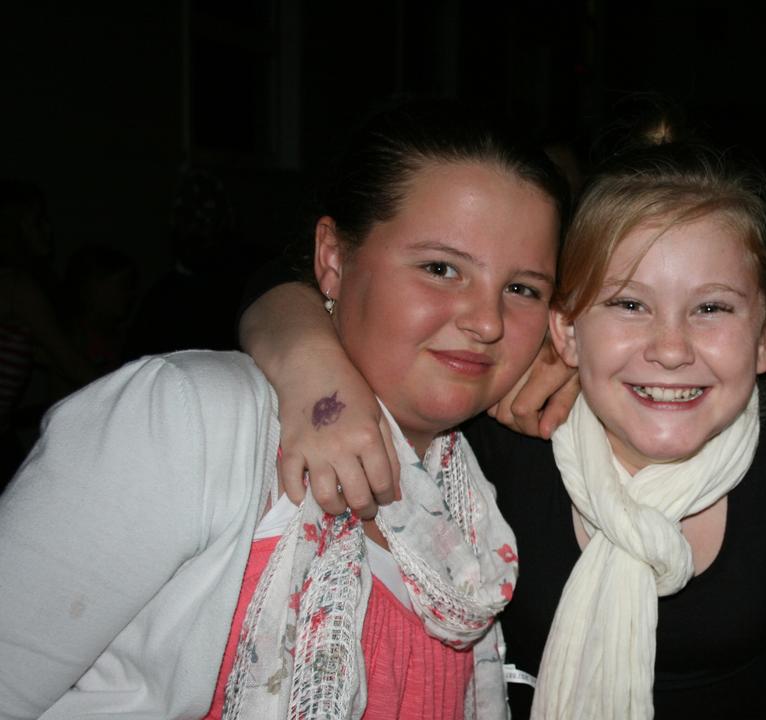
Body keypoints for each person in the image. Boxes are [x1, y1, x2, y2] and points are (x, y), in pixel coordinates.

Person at [241, 135, 766, 716]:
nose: (671, 349)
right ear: (567, 330)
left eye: (712, 308)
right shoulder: (501, 433)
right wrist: (310, 365)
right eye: (629, 304)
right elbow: (282, 293)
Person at [0, 101, 567, 720]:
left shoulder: (479, 495)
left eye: (522, 289)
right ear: (332, 260)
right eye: (441, 268)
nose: (487, 321)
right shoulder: (192, 421)